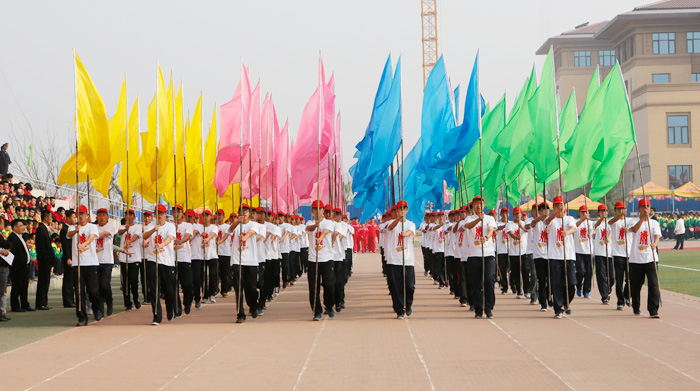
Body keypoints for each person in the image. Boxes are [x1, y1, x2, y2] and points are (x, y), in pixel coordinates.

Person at [463, 196, 497, 319]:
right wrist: (478, 220)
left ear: (484, 205)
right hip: (473, 255)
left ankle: (488, 308)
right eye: (476, 203)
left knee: (488, 281)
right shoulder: (468, 218)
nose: (478, 205)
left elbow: (491, 230)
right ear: (473, 206)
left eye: (481, 203)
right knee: (475, 284)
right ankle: (478, 309)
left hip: (488, 254)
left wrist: (486, 238)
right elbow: (469, 226)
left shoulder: (489, 218)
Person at [67, 205, 101, 326]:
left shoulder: (92, 227)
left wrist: (84, 244)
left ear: (87, 215)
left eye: (82, 213)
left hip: (90, 262)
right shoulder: (72, 227)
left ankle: (97, 308)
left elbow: (92, 238)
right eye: (78, 214)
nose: (80, 216)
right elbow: (69, 235)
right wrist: (76, 230)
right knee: (79, 291)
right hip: (78, 263)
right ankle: (82, 316)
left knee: (93, 290)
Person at [142, 205, 177, 325]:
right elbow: (144, 236)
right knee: (154, 289)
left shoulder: (170, 226)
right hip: (153, 260)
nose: (160, 215)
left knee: (169, 290)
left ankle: (170, 309)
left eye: (161, 213)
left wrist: (161, 245)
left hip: (167, 262)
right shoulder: (151, 226)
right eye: (157, 213)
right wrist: (153, 230)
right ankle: (156, 316)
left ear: (165, 214)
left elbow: (170, 238)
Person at [628, 199, 661, 318]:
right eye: (643, 206)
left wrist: (655, 244)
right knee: (636, 284)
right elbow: (635, 230)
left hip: (651, 257)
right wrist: (643, 219)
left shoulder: (654, 223)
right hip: (636, 259)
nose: (646, 208)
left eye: (648, 206)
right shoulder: (633, 221)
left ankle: (653, 309)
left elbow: (657, 235)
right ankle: (636, 305)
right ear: (639, 209)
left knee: (653, 284)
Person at [545, 196, 577, 319]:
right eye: (557, 205)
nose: (560, 207)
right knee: (556, 283)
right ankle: (558, 308)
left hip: (568, 256)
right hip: (554, 256)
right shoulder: (551, 219)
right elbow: (547, 222)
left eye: (561, 205)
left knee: (571, 282)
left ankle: (566, 302)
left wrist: (566, 233)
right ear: (554, 207)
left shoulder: (569, 218)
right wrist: (555, 213)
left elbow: (572, 228)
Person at [228, 203, 260, 323]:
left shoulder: (254, 224)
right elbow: (230, 229)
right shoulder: (236, 225)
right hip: (237, 260)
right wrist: (237, 221)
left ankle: (253, 305)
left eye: (246, 211)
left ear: (250, 213)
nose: (245, 213)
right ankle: (240, 313)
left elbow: (252, 232)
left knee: (251, 287)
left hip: (251, 261)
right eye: (242, 211)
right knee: (238, 287)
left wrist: (245, 237)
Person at [385, 201, 416, 319]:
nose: (402, 210)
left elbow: (410, 232)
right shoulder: (391, 223)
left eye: (404, 208)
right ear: (396, 210)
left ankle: (408, 305)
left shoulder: (410, 224)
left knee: (410, 286)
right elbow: (391, 227)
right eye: (399, 209)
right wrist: (398, 218)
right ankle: (399, 310)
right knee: (396, 287)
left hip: (407, 260)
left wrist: (406, 234)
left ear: (407, 210)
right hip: (394, 260)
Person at [306, 200, 336, 321]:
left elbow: (326, 231)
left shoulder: (329, 222)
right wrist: (315, 225)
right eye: (315, 209)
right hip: (313, 259)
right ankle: (316, 311)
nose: (318, 211)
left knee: (329, 284)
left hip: (327, 258)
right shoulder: (310, 222)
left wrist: (321, 238)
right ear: (312, 211)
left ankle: (329, 306)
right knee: (314, 287)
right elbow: (309, 228)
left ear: (323, 210)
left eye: (320, 208)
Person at [608, 201, 632, 311]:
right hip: (617, 254)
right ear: (615, 210)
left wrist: (629, 229)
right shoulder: (614, 222)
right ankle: (620, 301)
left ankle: (627, 295)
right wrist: (620, 215)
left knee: (630, 278)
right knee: (619, 279)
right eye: (618, 209)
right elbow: (611, 221)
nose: (620, 210)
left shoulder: (630, 221)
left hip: (629, 254)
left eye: (622, 209)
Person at [8, 219, 34, 312]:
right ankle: (15, 306)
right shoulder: (12, 237)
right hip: (18, 267)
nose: (23, 227)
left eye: (24, 225)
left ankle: (25, 304)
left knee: (24, 286)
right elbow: (13, 253)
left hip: (24, 266)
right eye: (21, 226)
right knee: (17, 286)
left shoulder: (21, 237)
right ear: (15, 227)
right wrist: (16, 265)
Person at [118, 209, 142, 311]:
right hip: (124, 258)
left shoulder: (138, 227)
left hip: (135, 257)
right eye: (127, 215)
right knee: (125, 282)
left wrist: (130, 241)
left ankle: (136, 299)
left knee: (134, 280)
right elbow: (119, 233)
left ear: (134, 217)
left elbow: (137, 236)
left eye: (131, 215)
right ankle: (127, 303)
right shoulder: (122, 227)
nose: (129, 217)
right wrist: (125, 229)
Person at [95, 208, 117, 316]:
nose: (101, 217)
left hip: (107, 261)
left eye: (104, 215)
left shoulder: (111, 227)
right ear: (96, 217)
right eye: (99, 215)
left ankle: (109, 302)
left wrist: (93, 235)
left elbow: (104, 234)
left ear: (107, 217)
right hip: (95, 261)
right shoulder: (93, 227)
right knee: (97, 286)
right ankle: (100, 309)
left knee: (105, 285)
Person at [505, 207, 529, 299]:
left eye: (519, 214)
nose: (517, 216)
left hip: (524, 252)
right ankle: (519, 291)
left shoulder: (524, 223)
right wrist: (516, 237)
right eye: (515, 214)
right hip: (513, 253)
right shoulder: (509, 224)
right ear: (513, 215)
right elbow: (510, 233)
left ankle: (527, 290)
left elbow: (527, 230)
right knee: (515, 273)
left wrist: (521, 226)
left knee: (525, 271)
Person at [174, 207, 194, 315]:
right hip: (172, 259)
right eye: (175, 211)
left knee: (187, 284)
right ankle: (177, 308)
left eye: (179, 212)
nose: (177, 214)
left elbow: (187, 236)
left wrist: (180, 241)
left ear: (182, 214)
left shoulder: (188, 225)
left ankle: (187, 303)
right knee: (174, 285)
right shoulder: (169, 226)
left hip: (184, 258)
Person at [34, 209, 54, 310]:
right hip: (44, 260)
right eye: (50, 217)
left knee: (46, 281)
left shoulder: (45, 229)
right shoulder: (41, 229)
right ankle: (40, 303)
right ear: (46, 217)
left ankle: (44, 302)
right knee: (43, 281)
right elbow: (42, 246)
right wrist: (46, 258)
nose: (51, 219)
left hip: (47, 260)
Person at [593, 205, 613, 305]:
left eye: (605, 211)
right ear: (599, 213)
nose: (603, 212)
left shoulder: (610, 223)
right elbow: (595, 226)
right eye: (601, 211)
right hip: (599, 253)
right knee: (601, 275)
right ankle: (604, 296)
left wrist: (608, 238)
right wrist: (601, 219)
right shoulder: (597, 223)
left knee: (611, 276)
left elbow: (611, 232)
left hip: (609, 253)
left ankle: (608, 288)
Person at [574, 206, 594, 299]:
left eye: (585, 212)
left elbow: (592, 229)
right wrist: (582, 219)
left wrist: (590, 233)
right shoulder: (576, 222)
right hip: (578, 250)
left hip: (588, 251)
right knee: (581, 271)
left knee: (589, 272)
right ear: (580, 213)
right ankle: (579, 285)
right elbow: (575, 227)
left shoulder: (590, 223)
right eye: (582, 212)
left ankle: (586, 291)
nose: (584, 214)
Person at [60, 210, 77, 308]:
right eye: (74, 217)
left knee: (72, 280)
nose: (75, 219)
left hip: (74, 256)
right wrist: (68, 258)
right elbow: (65, 245)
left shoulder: (74, 228)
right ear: (68, 218)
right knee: (68, 280)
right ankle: (67, 301)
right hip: (69, 258)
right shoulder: (65, 229)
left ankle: (71, 299)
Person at [215, 209, 231, 298]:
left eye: (221, 215)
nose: (219, 216)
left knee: (224, 274)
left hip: (225, 253)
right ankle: (216, 289)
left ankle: (224, 290)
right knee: (215, 273)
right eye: (217, 214)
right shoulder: (214, 227)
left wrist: (220, 241)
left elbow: (226, 235)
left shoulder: (227, 226)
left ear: (224, 216)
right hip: (215, 253)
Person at [0, 225, 11, 321]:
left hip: (4, 266)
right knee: (1, 291)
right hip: (1, 267)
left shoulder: (1, 235)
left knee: (3, 291)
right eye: (1, 224)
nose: (3, 226)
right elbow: (8, 244)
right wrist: (3, 251)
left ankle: (2, 313)